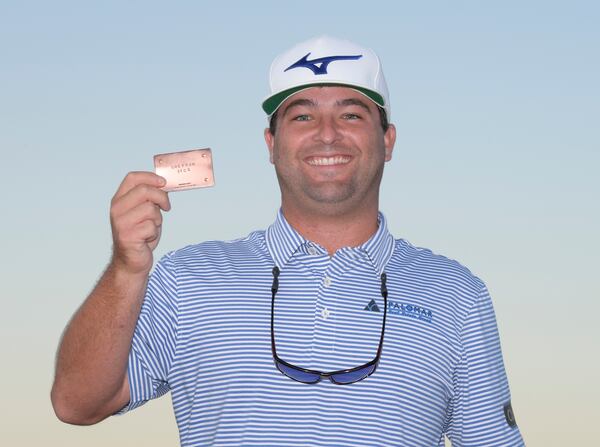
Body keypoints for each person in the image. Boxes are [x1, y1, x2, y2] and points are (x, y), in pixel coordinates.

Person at [51, 35, 525, 446]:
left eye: (352, 114)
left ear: (388, 140)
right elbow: (76, 402)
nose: (326, 135)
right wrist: (126, 268)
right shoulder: (187, 279)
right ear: (271, 144)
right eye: (301, 117)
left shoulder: (457, 294)